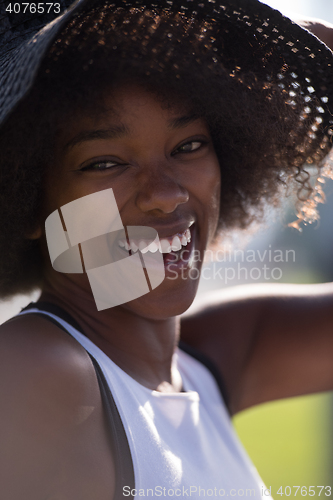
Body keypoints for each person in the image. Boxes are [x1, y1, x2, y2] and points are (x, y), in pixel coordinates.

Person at [0, 0, 333, 498]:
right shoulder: (34, 371)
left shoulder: (210, 357)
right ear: (27, 205)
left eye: (188, 147)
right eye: (104, 162)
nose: (166, 194)